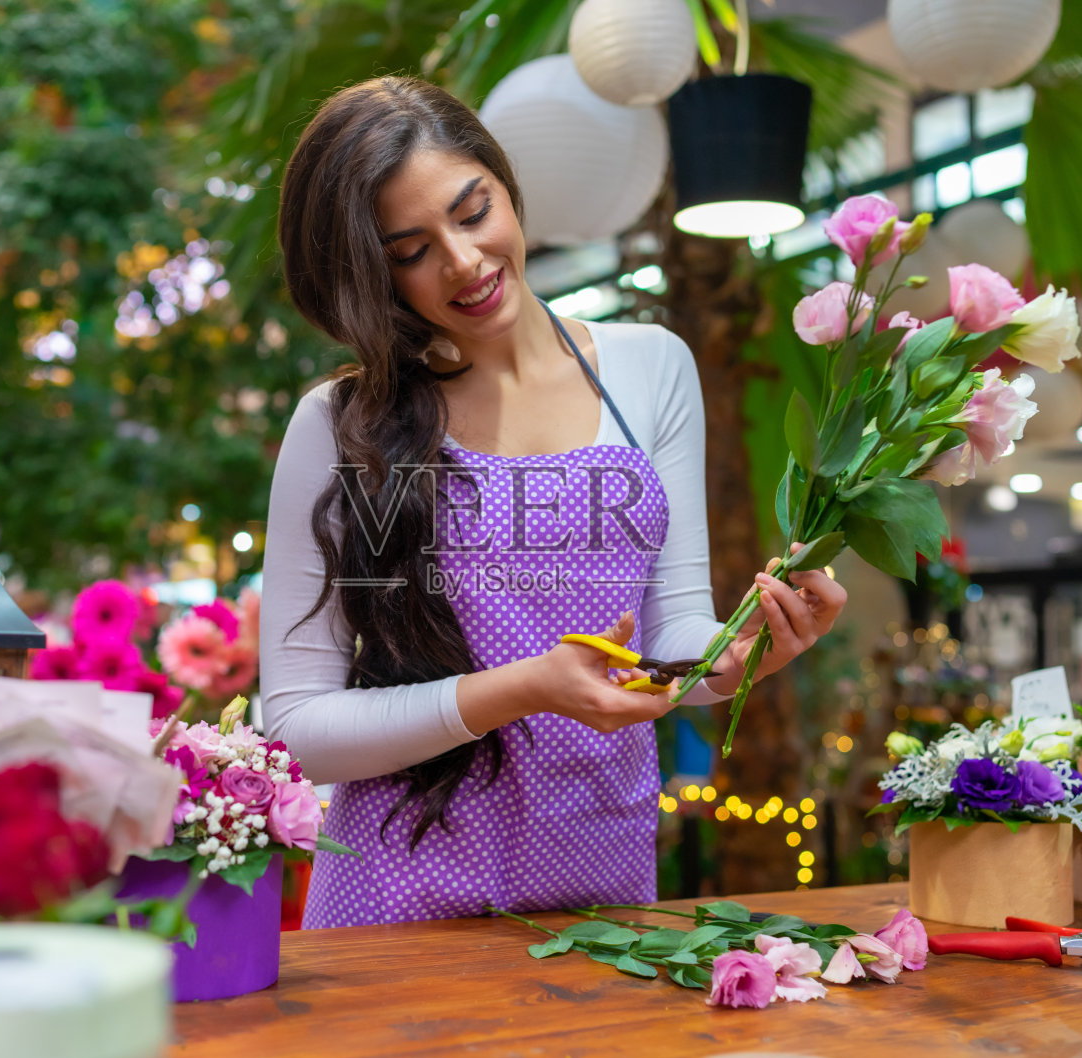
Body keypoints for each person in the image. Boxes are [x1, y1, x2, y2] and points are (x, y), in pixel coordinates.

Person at [263, 76, 846, 929]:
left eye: (473, 210)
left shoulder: (652, 367)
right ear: (370, 274)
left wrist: (743, 650)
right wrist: (525, 687)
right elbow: (298, 729)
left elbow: (672, 639)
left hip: (598, 888)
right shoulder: (341, 425)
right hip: (400, 901)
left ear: (505, 184)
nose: (463, 260)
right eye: (410, 249)